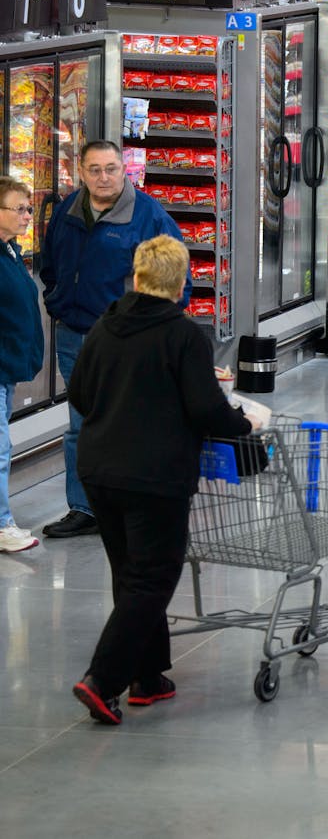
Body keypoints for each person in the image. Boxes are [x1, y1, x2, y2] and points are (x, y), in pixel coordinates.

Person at [68, 235, 254, 726]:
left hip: (99, 469)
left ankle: (147, 677)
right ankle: (102, 680)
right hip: (154, 475)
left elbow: (80, 394)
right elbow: (206, 410)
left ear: (136, 277)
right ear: (181, 285)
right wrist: (244, 424)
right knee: (152, 579)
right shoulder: (186, 335)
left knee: (130, 573)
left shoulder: (104, 327)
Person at [39, 140, 188, 540]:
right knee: (79, 426)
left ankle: (130, 506)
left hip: (126, 340)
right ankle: (84, 508)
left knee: (129, 423)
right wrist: (56, 300)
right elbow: (50, 264)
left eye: (111, 168)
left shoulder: (148, 216)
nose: (103, 177)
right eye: (94, 170)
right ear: (80, 173)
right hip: (74, 336)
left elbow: (177, 279)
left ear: (125, 171)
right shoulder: (67, 212)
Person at [0, 176, 43, 554]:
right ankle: (1, 525)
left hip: (8, 368)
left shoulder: (11, 250)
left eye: (28, 208)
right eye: (20, 209)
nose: (28, 215)